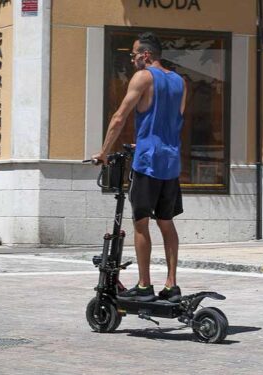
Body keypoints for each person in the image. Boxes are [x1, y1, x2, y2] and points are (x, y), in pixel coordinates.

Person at [91, 32, 187, 303]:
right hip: (171, 160)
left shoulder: (143, 77)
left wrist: (103, 152)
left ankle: (144, 285)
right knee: (166, 223)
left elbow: (120, 116)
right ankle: (171, 285)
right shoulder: (180, 81)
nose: (132, 59)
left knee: (141, 222)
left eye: (133, 54)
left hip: (148, 161)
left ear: (146, 55)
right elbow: (174, 118)